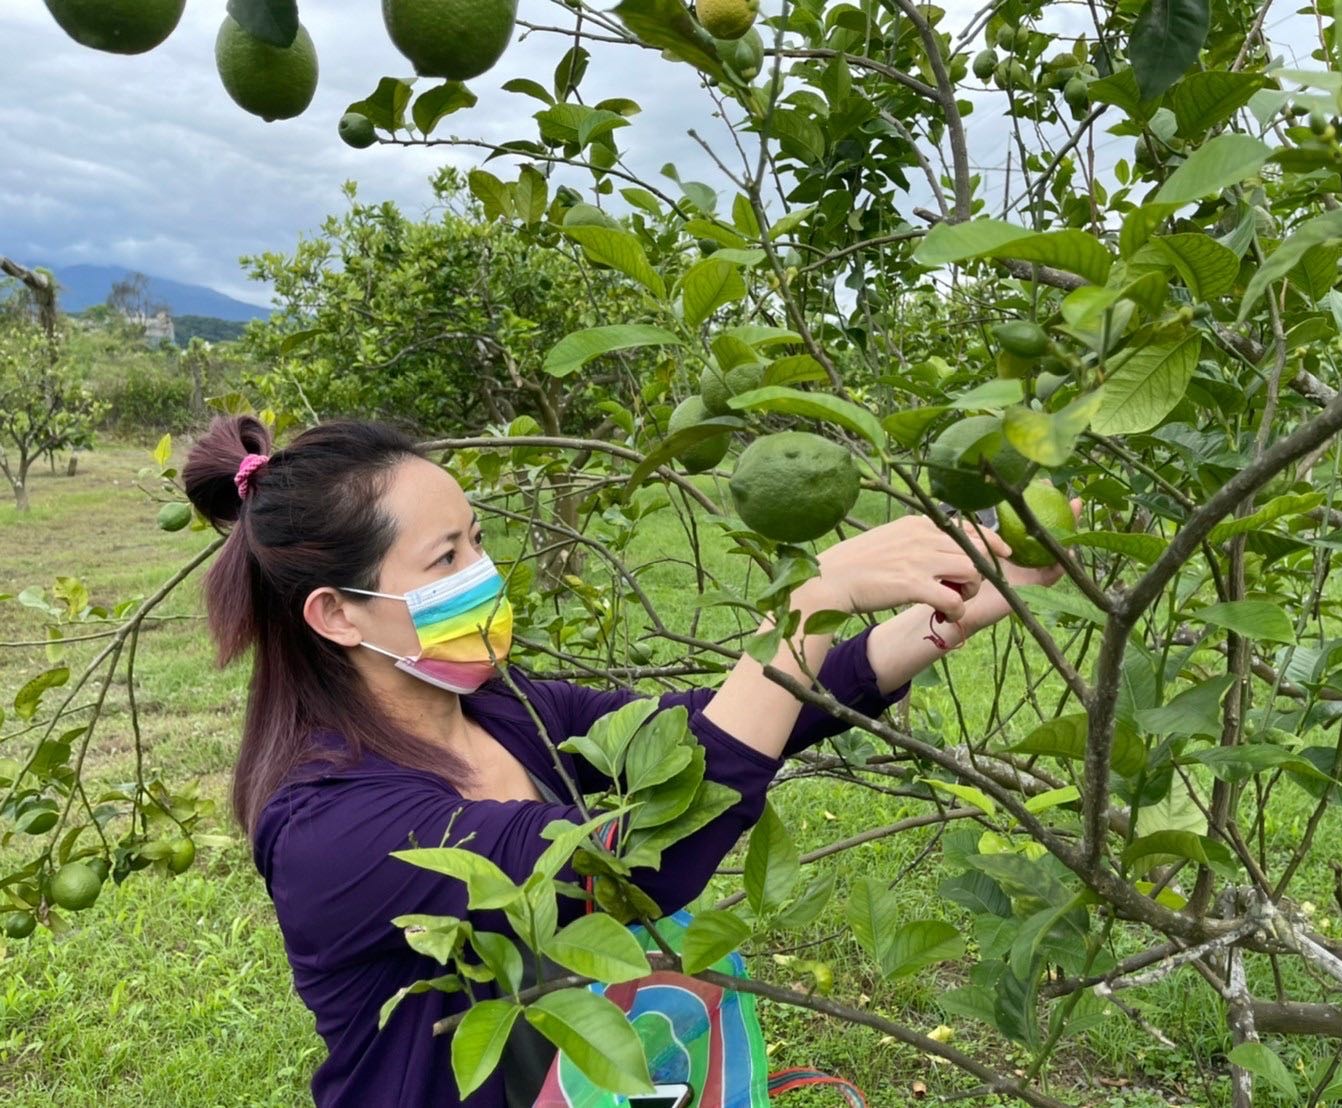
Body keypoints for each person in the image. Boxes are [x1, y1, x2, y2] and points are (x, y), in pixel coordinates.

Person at [181, 414, 1068, 1108]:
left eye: (478, 539)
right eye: (447, 557)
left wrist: (950, 610)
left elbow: (700, 735)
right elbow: (635, 861)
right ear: (338, 615)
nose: (484, 572)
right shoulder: (331, 828)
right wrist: (810, 600)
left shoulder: (504, 705)